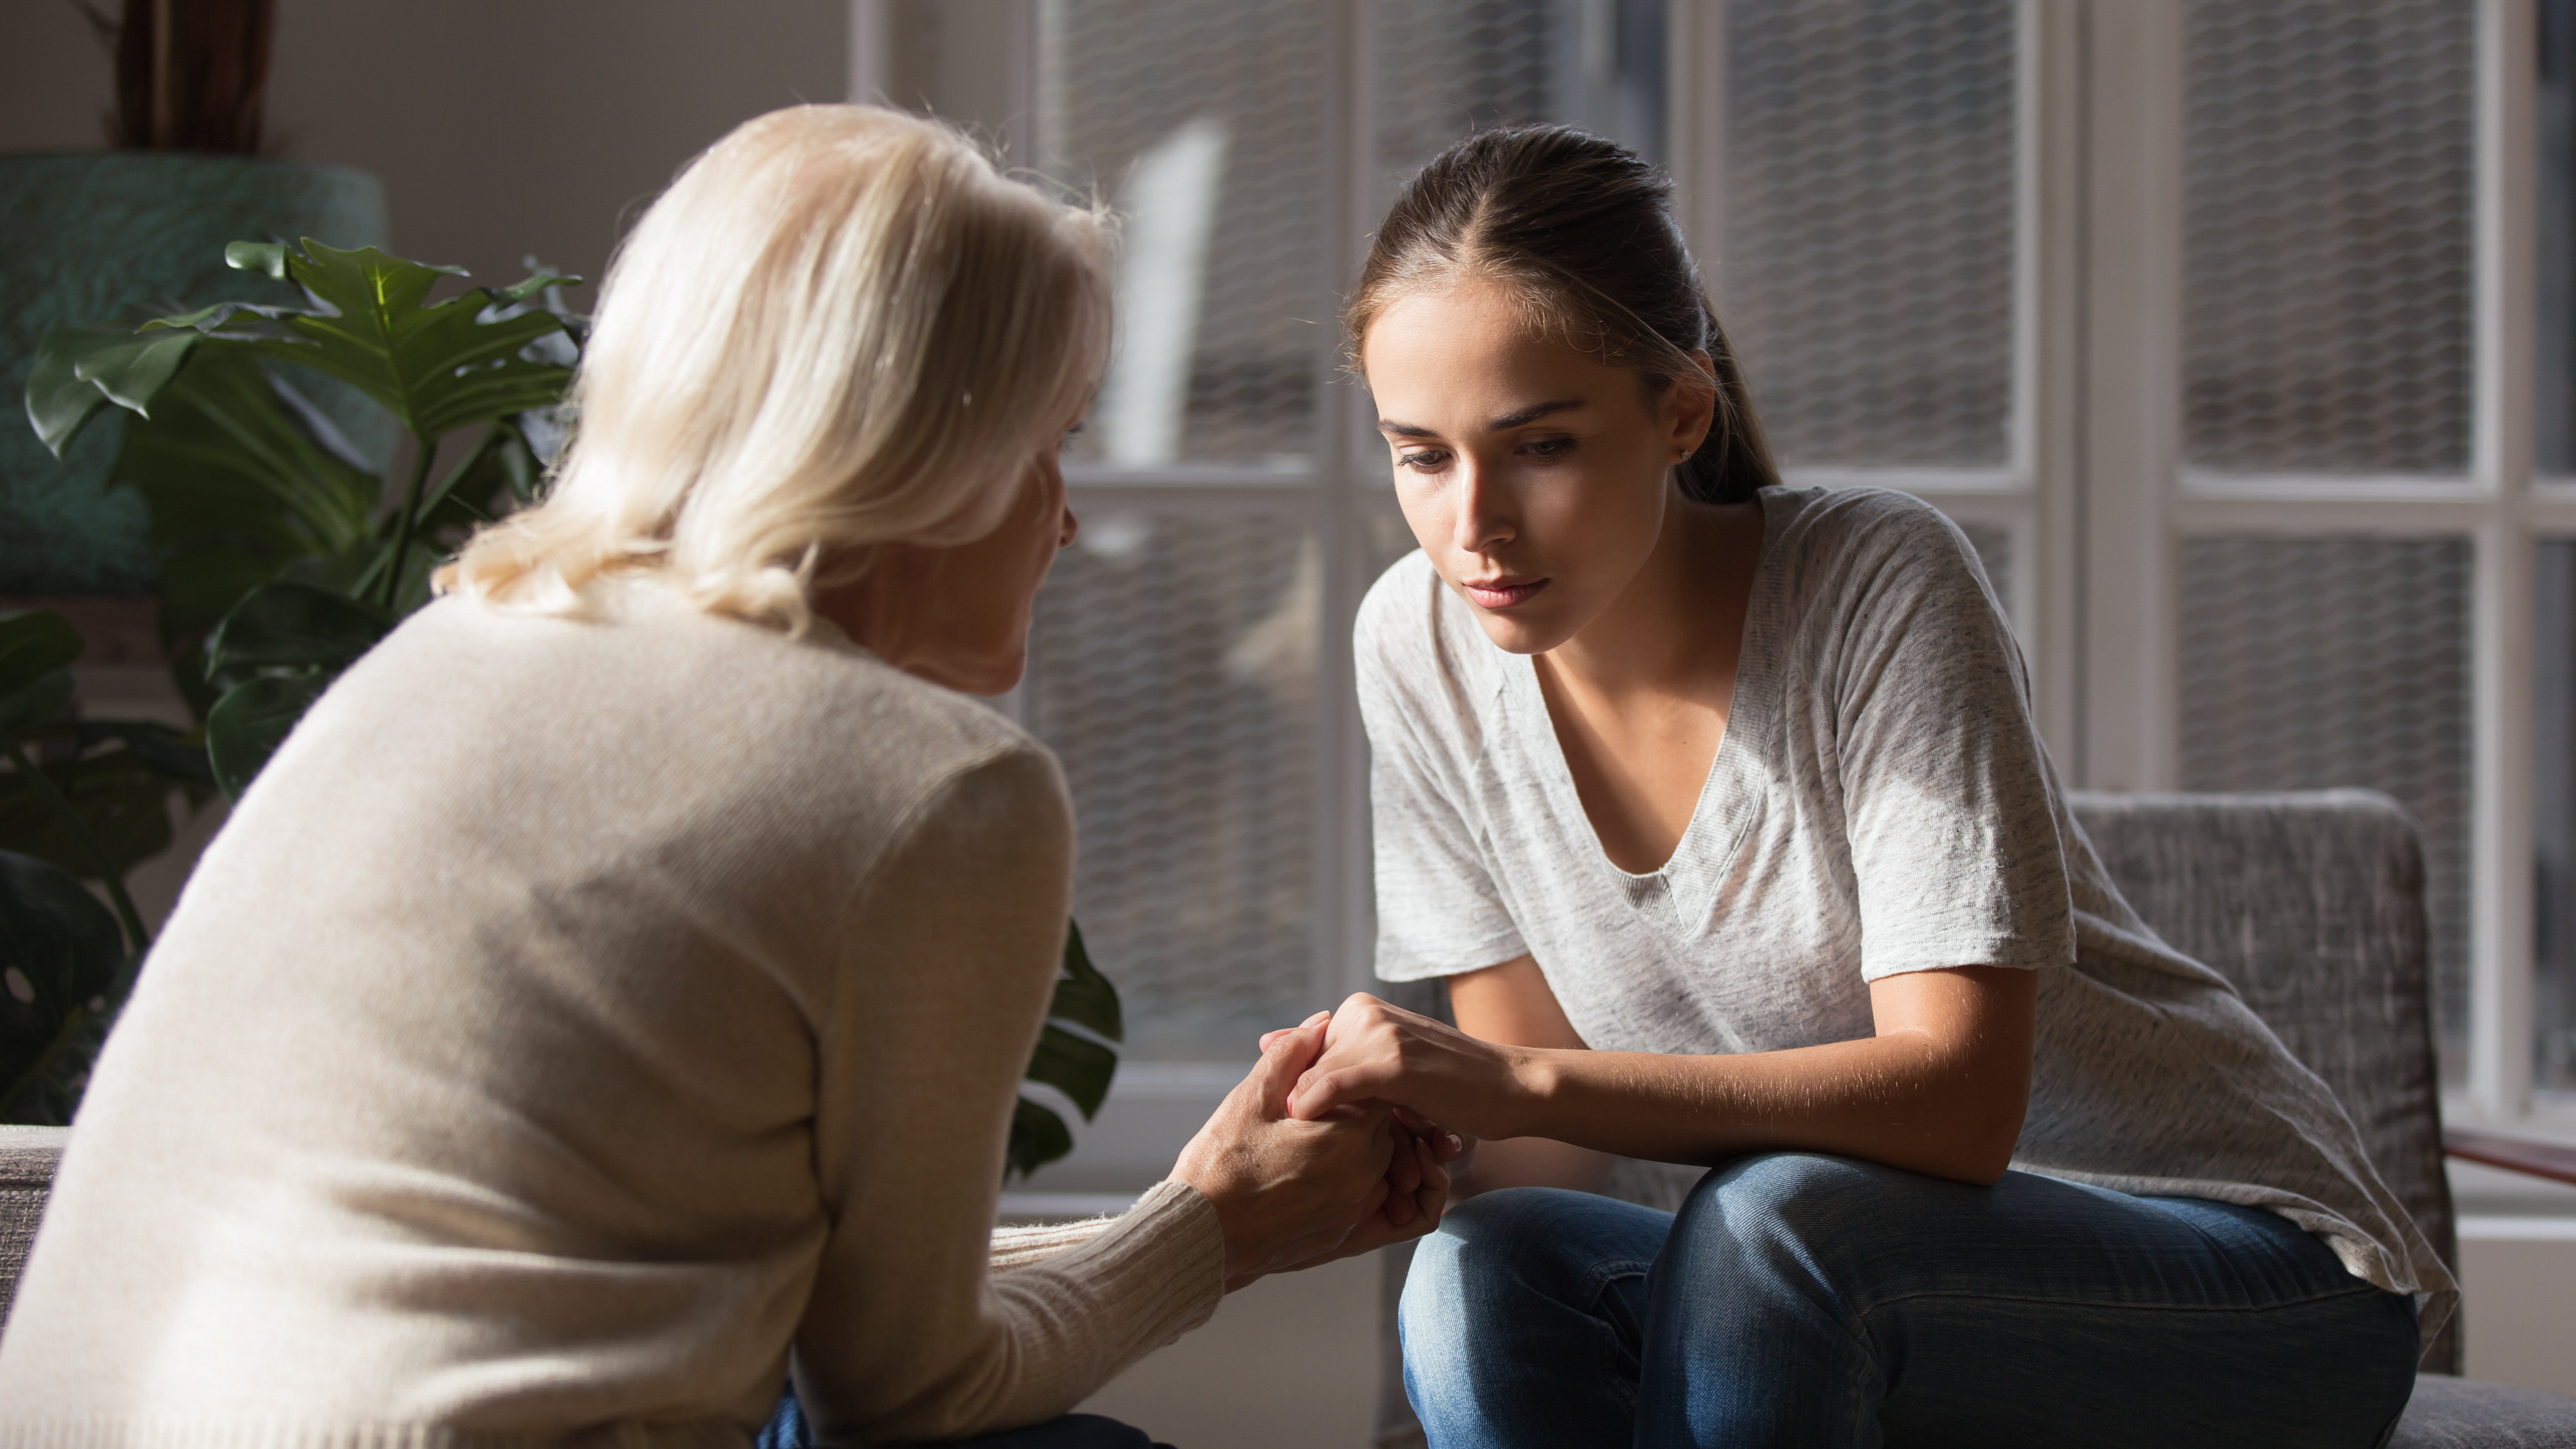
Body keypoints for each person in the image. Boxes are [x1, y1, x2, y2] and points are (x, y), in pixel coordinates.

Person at [0, 105, 1449, 1449]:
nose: (1064, 519)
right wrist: (1214, 1234)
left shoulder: (458, 646)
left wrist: (1188, 1207)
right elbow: (907, 1394)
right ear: (917, 451)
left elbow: (754, 1278)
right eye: (1048, 439)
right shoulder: (935, 787)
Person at [1283, 123, 2454, 1448]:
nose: (1472, 525)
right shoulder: (1414, 641)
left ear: (1680, 410)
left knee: (1776, 1220)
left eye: (1539, 447)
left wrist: (1511, 1083)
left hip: (2243, 1280)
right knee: (1486, 1266)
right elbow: (1543, 1145)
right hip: (1809, 1292)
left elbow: (1957, 1106)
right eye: (1422, 456)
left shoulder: (1877, 584)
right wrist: (1367, 1140)